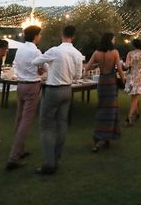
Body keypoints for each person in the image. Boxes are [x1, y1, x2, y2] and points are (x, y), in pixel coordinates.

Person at [31, 25, 84, 175]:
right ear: (73, 36)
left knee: (46, 125)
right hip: (67, 90)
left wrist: (47, 66)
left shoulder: (55, 51)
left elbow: (35, 61)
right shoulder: (77, 54)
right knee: (62, 124)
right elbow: (78, 77)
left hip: (53, 90)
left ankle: (49, 164)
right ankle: (56, 157)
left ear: (62, 34)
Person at [5, 25, 44, 171]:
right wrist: (40, 70)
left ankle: (20, 150)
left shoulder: (20, 49)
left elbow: (18, 65)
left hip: (20, 85)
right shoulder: (35, 51)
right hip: (32, 86)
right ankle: (13, 157)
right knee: (26, 121)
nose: (40, 37)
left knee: (19, 118)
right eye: (40, 35)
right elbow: (44, 68)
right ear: (35, 36)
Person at [85, 32, 126, 152]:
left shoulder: (96, 53)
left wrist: (97, 65)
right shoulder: (114, 53)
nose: (114, 41)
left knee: (102, 108)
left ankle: (99, 137)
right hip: (111, 82)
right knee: (111, 109)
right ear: (110, 40)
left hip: (102, 82)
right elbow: (119, 68)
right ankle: (107, 136)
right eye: (113, 39)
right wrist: (123, 80)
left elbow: (87, 67)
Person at [124, 39, 141, 126]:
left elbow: (126, 65)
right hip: (140, 77)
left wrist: (132, 64)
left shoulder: (130, 53)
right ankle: (130, 117)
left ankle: (136, 113)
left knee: (133, 96)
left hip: (131, 76)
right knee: (136, 98)